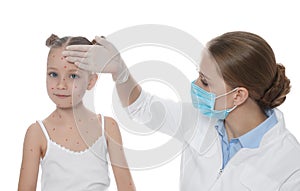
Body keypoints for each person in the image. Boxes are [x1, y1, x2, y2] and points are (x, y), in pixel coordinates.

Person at [62, 31, 300, 190]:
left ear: (238, 95)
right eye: (199, 75)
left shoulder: (290, 164)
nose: (195, 86)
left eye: (205, 82)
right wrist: (119, 71)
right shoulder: (199, 121)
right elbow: (143, 108)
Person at [18, 34, 135, 191]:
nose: (61, 85)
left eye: (73, 76)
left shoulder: (107, 127)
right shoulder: (37, 133)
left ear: (91, 81)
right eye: (53, 74)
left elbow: (127, 188)